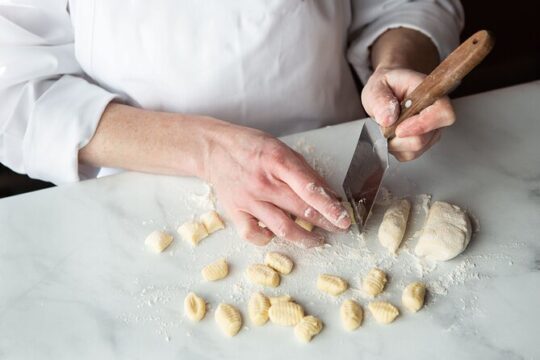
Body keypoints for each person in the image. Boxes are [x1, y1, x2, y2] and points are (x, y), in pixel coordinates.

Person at [0, 1, 463, 248]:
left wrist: (399, 65)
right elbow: (12, 90)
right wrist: (208, 149)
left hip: (333, 164)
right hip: (139, 197)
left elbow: (401, 4)